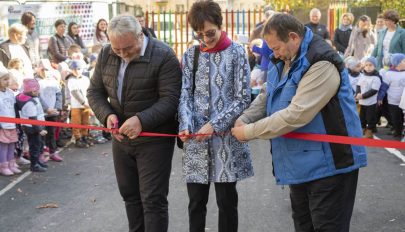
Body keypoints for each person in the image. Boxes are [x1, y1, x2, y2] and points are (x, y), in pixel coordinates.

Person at [231, 13, 367, 232]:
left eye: (275, 48)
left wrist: (249, 132)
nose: (273, 53)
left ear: (293, 37)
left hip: (330, 166)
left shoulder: (321, 61)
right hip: (301, 166)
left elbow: (296, 115)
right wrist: (245, 117)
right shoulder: (284, 58)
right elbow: (269, 94)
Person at [87, 15, 181, 232]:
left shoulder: (163, 55)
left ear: (140, 35)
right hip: (121, 139)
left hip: (153, 140)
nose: (122, 54)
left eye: (127, 48)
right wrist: (107, 115)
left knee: (152, 199)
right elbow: (95, 92)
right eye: (116, 49)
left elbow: (171, 99)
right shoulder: (106, 53)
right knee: (130, 195)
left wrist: (141, 120)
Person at [178, 1, 253, 231]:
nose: (205, 39)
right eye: (199, 34)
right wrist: (185, 124)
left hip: (226, 140)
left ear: (220, 25)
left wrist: (214, 124)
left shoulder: (238, 52)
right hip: (195, 141)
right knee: (196, 203)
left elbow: (242, 99)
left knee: (227, 203)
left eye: (210, 33)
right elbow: (185, 94)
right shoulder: (191, 54)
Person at [16, 78, 48, 172]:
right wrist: (40, 130)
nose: (38, 92)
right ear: (32, 90)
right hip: (33, 128)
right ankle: (34, 165)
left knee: (37, 145)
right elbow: (33, 119)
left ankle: (37, 161)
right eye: (36, 90)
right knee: (35, 146)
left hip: (31, 126)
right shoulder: (30, 102)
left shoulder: (28, 98)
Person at [35, 59, 63, 161]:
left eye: (47, 70)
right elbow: (36, 97)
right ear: (38, 69)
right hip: (41, 114)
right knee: (41, 133)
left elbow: (59, 94)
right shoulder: (35, 82)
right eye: (42, 70)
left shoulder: (53, 81)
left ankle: (52, 152)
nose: (45, 72)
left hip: (53, 113)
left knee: (51, 133)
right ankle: (41, 153)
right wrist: (47, 109)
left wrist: (57, 107)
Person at [66, 60, 92, 148]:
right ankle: (78, 139)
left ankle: (85, 137)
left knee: (86, 122)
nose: (77, 71)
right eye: (74, 69)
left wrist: (89, 103)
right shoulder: (71, 80)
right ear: (71, 70)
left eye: (79, 69)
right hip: (76, 105)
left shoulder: (86, 79)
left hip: (87, 105)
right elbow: (75, 92)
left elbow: (90, 91)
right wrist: (84, 103)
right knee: (76, 123)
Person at [0, 66, 20, 176]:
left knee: (12, 144)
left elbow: (13, 107)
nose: (8, 81)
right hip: (2, 125)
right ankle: (3, 166)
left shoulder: (10, 93)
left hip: (11, 124)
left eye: (8, 79)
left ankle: (11, 164)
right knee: (3, 145)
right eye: (4, 79)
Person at [379, 53, 405, 138]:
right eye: (403, 61)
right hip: (393, 101)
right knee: (396, 118)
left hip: (403, 102)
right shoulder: (389, 74)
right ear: (397, 63)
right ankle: (398, 132)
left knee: (402, 118)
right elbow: (384, 87)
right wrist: (380, 97)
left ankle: (401, 131)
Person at [355, 57, 381, 138]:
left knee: (370, 118)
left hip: (371, 102)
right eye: (366, 65)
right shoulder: (362, 76)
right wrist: (358, 93)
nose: (368, 67)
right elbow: (358, 85)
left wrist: (362, 96)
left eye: (370, 65)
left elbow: (374, 90)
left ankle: (369, 132)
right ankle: (362, 129)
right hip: (362, 102)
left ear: (375, 66)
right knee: (362, 117)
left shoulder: (376, 78)